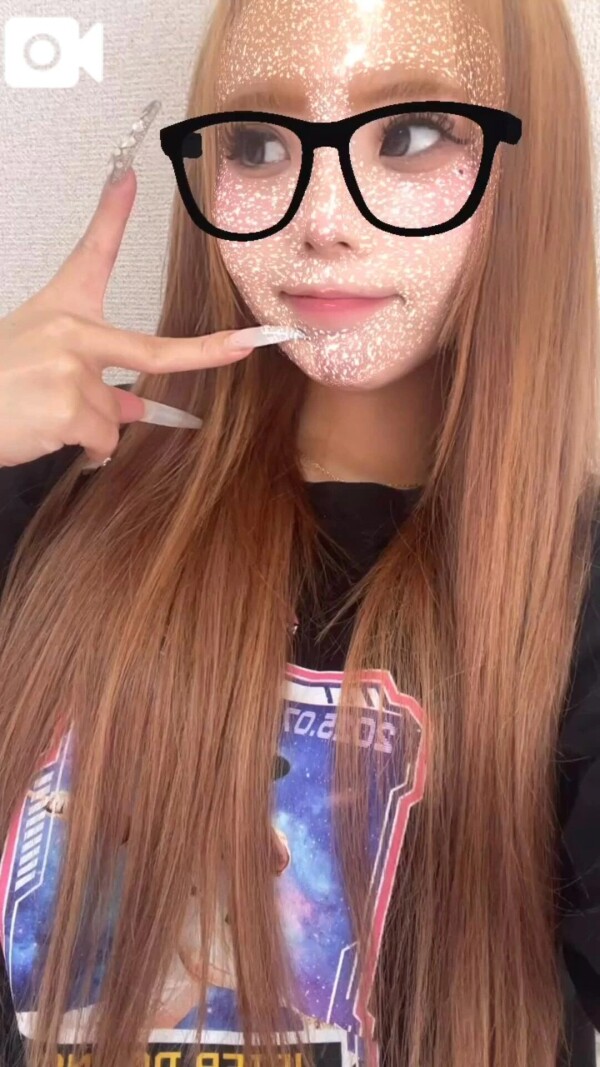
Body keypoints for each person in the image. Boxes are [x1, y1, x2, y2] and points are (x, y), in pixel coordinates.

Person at [0, 0, 598, 1065]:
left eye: (412, 135)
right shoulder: (44, 500)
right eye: (260, 144)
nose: (319, 219)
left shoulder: (572, 591)